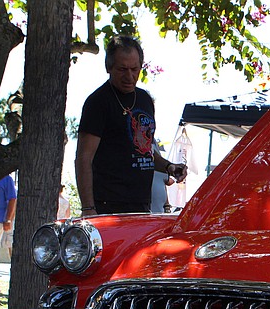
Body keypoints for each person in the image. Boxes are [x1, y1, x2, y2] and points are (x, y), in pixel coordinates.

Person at [75, 35, 187, 216]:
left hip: (141, 203)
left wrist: (169, 167)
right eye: (122, 69)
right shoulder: (98, 102)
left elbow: (146, 151)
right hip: (107, 204)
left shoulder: (145, 100)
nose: (129, 76)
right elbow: (83, 158)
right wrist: (88, 208)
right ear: (108, 67)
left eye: (135, 69)